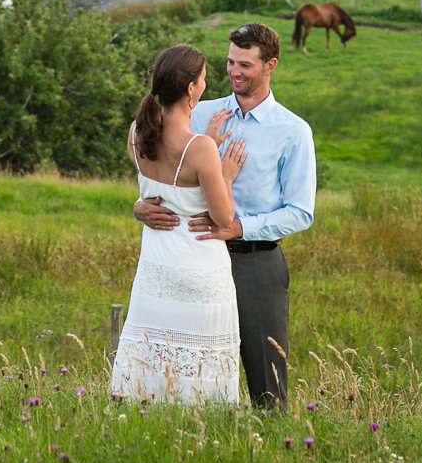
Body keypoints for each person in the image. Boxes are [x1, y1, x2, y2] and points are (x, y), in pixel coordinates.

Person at [134, 22, 314, 409]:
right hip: (195, 261)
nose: (234, 71)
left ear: (271, 65)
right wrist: (140, 204)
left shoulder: (294, 132)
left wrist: (239, 227)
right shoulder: (198, 113)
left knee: (267, 383)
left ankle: (273, 454)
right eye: (230, 62)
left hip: (256, 264)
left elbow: (301, 213)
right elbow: (160, 168)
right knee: (192, 373)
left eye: (245, 65)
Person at [109, 43, 248, 403]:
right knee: (199, 374)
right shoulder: (201, 148)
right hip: (199, 272)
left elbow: (159, 190)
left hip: (156, 271)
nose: (205, 85)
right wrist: (225, 174)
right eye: (203, 79)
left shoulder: (136, 133)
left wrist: (139, 207)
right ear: (190, 89)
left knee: (151, 363)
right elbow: (222, 218)